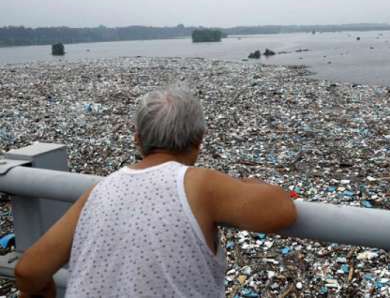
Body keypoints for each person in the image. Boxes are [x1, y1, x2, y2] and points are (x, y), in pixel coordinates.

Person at [15, 87, 297, 297]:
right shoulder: (201, 185)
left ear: (137, 138)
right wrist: (248, 184)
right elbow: (281, 210)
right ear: (199, 140)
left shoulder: (99, 190)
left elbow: (28, 271)